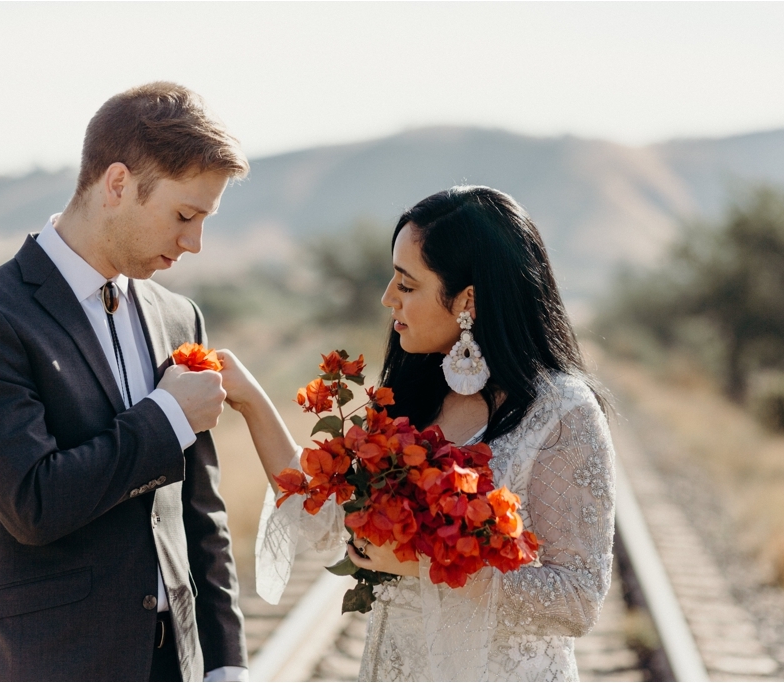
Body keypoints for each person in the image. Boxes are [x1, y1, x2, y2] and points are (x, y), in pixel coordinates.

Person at [219, 186, 616, 681]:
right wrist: (253, 401)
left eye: (406, 285)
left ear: (467, 299)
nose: (388, 298)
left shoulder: (561, 412)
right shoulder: (409, 397)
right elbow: (320, 512)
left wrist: (425, 567)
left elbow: (577, 600)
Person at [0, 82, 249, 682]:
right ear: (118, 184)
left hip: (173, 663)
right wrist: (166, 418)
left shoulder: (180, 317)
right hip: (48, 661)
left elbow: (198, 509)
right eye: (185, 215)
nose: (195, 243)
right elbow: (33, 503)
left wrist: (227, 661)